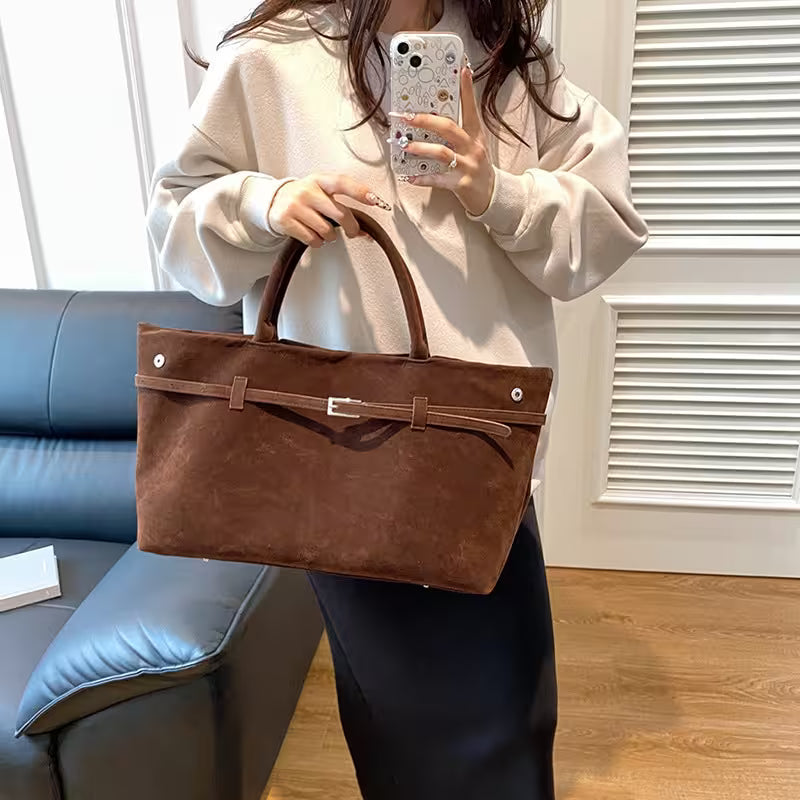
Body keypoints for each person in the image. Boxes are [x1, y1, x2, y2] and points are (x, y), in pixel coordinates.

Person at [145, 1, 648, 797]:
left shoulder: (507, 58)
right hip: (335, 458)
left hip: (478, 452)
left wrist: (495, 190)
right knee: (396, 720)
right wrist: (265, 204)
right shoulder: (273, 56)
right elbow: (175, 219)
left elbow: (607, 224)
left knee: (507, 715)